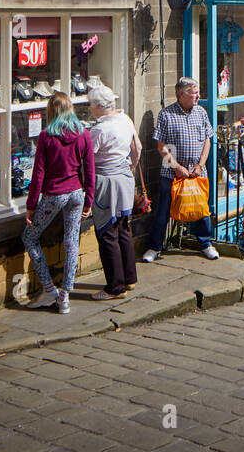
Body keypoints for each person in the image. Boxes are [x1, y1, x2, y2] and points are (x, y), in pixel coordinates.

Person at [23, 92, 94, 314]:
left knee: (29, 237)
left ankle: (48, 288)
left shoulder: (46, 136)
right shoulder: (84, 134)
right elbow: (90, 171)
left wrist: (31, 205)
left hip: (54, 194)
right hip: (76, 193)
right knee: (72, 242)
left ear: (51, 111)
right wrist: (88, 200)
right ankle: (65, 297)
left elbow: (39, 173)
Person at [145, 77, 217, 262]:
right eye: (194, 93)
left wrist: (200, 165)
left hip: (197, 172)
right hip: (171, 173)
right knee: (163, 211)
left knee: (202, 210)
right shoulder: (166, 114)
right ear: (181, 94)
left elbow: (207, 141)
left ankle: (206, 243)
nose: (198, 96)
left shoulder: (201, 112)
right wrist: (176, 167)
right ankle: (154, 247)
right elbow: (161, 146)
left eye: (197, 92)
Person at [86, 85, 140, 300]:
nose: (90, 109)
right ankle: (129, 278)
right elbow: (138, 148)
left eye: (90, 105)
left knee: (107, 232)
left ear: (99, 106)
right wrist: (130, 168)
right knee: (123, 228)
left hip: (106, 183)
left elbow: (87, 161)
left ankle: (114, 287)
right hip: (125, 180)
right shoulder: (125, 120)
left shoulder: (99, 130)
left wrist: (85, 187)